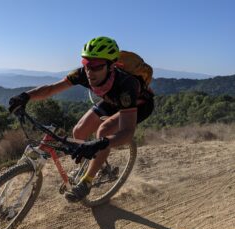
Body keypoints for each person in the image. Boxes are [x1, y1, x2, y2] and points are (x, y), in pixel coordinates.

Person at [9, 36, 154, 202]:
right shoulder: (83, 74)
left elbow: (127, 133)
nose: (89, 71)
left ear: (111, 66)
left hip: (139, 105)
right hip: (111, 101)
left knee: (104, 132)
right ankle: (90, 164)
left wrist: (101, 143)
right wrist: (25, 96)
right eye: (87, 64)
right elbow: (51, 89)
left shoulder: (127, 85)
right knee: (79, 130)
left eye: (97, 66)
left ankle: (87, 182)